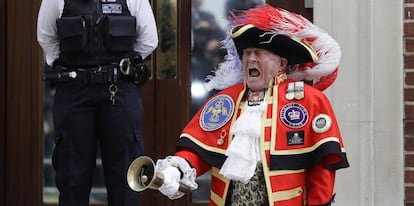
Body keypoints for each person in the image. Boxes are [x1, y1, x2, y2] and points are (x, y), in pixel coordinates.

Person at [150, 4, 349, 206]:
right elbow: (200, 149)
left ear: (281, 63)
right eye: (247, 53)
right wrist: (176, 169)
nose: (251, 59)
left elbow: (322, 167)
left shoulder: (309, 100)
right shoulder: (225, 101)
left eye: (259, 53)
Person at [37, 0, 158, 205]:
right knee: (72, 176)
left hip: (119, 90)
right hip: (74, 90)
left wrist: (116, 68)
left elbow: (148, 41)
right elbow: (46, 37)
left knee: (126, 176)